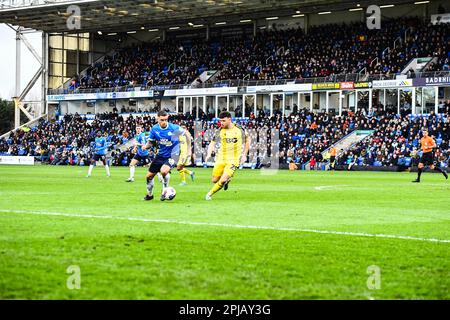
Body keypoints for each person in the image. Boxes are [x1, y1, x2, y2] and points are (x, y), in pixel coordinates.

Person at [142, 111, 191, 201]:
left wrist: (189, 150)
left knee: (164, 171)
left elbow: (187, 134)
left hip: (173, 155)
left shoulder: (174, 128)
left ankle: (165, 191)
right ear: (157, 119)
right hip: (160, 155)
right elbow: (151, 142)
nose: (164, 121)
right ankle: (150, 195)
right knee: (149, 176)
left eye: (166, 119)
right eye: (162, 120)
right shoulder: (154, 129)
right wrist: (146, 146)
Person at [204, 111, 250, 201]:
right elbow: (212, 143)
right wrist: (208, 154)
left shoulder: (239, 129)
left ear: (229, 119)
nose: (221, 123)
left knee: (223, 179)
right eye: (220, 121)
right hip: (221, 157)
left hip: (234, 159)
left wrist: (244, 154)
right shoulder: (220, 130)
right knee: (214, 180)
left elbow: (248, 140)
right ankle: (226, 181)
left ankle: (209, 194)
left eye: (223, 121)